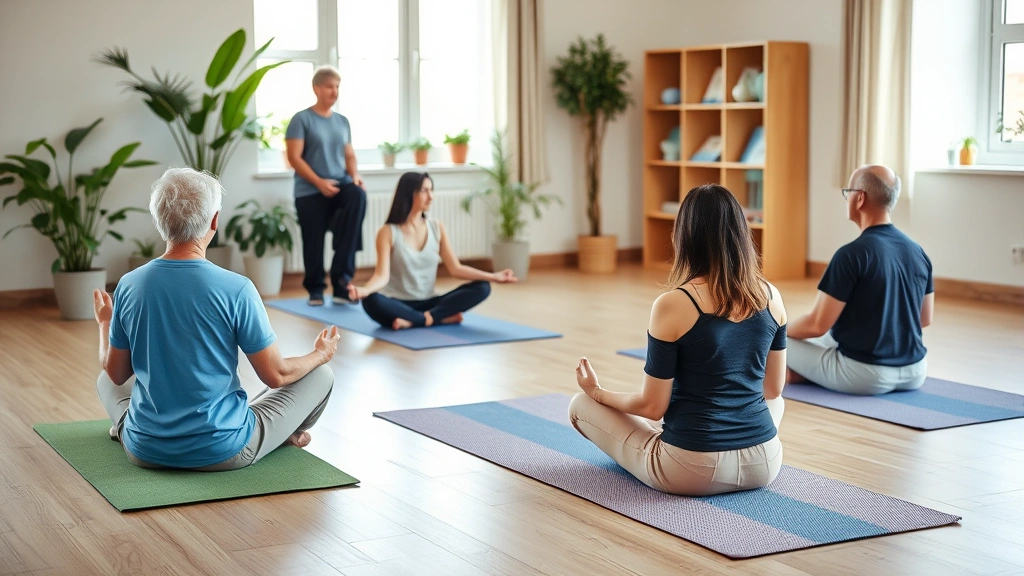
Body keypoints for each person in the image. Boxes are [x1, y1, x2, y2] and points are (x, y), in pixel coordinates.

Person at [93, 167, 340, 471]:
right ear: (214, 220)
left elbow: (116, 374)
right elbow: (276, 375)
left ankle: (126, 430)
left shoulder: (129, 284)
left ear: (159, 221)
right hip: (223, 451)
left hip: (145, 450)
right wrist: (320, 354)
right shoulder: (237, 288)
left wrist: (105, 322)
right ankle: (279, 436)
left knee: (105, 380)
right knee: (321, 374)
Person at [569, 184, 788, 496]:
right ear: (742, 233)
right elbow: (773, 390)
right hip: (765, 463)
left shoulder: (673, 304)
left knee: (579, 405)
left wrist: (597, 392)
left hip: (693, 469)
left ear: (684, 236)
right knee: (775, 403)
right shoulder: (772, 296)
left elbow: (652, 406)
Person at [786, 165, 933, 395]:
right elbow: (924, 319)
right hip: (915, 372)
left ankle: (794, 374)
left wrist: (778, 330)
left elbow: (816, 324)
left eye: (848, 192)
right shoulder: (918, 252)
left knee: (770, 340)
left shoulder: (851, 255)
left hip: (865, 375)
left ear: (860, 198)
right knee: (826, 338)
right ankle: (801, 375)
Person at [346, 172, 517, 330]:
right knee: (371, 300)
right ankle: (434, 319)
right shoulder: (388, 232)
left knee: (483, 287)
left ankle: (416, 320)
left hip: (431, 302)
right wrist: (365, 290)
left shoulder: (436, 227)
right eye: (424, 191)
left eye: (431, 190)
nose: (431, 196)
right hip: (398, 304)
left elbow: (456, 269)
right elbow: (381, 275)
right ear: (409, 193)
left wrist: (493, 277)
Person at [286, 65, 367, 306]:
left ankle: (341, 283)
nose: (335, 92)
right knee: (313, 241)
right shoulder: (302, 119)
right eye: (330, 87)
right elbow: (294, 158)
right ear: (316, 89)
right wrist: (319, 182)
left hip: (339, 186)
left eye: (337, 87)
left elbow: (349, 155)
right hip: (310, 190)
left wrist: (355, 176)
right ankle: (316, 289)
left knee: (358, 195)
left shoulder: (342, 122)